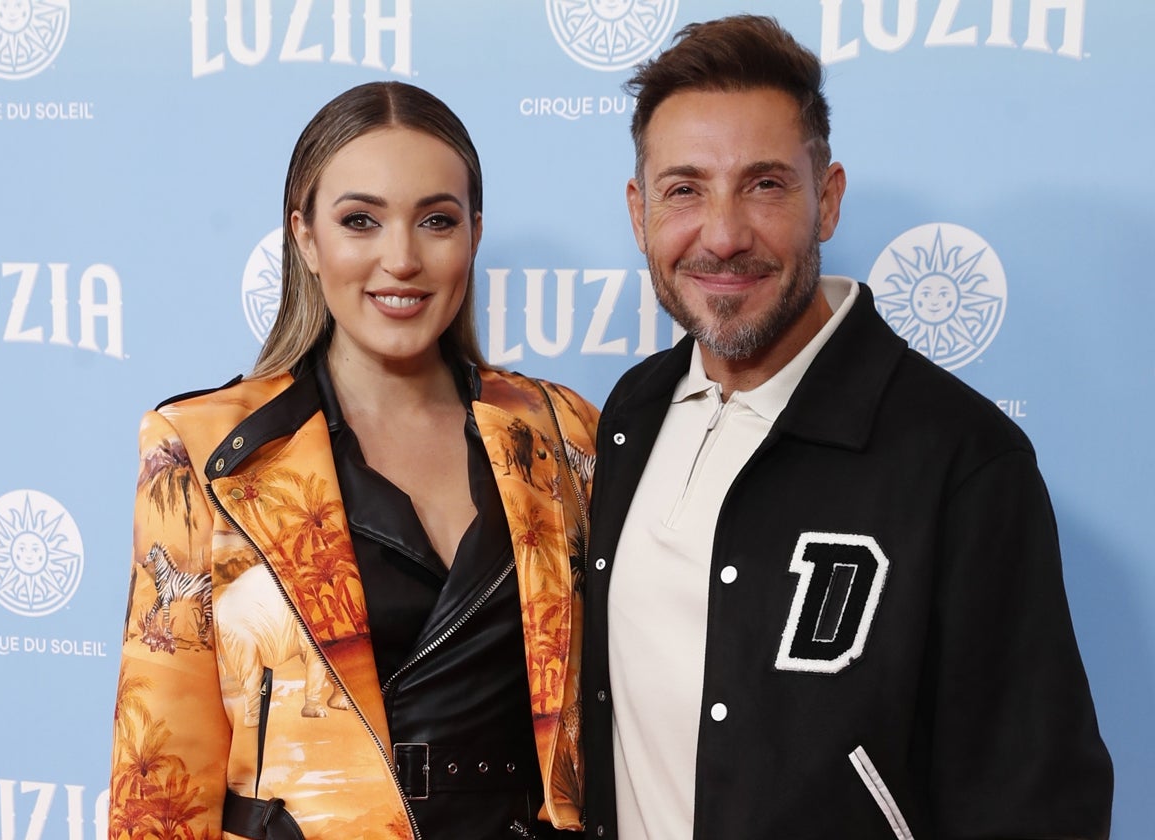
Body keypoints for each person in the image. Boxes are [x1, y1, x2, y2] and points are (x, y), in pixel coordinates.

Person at [582, 15, 1112, 840]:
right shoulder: (631, 414)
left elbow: (1036, 798)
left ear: (826, 200)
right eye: (684, 188)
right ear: (639, 209)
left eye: (764, 185)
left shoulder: (961, 458)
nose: (723, 235)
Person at [109, 81, 596, 840]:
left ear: (472, 233)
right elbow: (160, 775)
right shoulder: (205, 450)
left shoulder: (562, 432)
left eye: (436, 220)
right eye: (360, 221)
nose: (400, 259)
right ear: (305, 237)